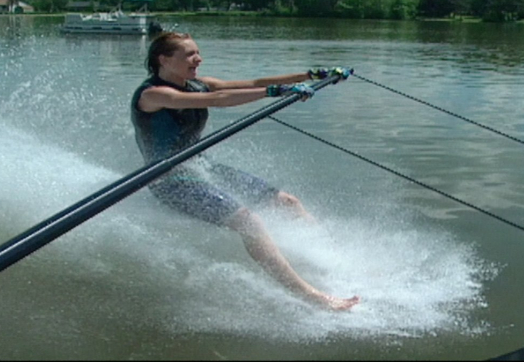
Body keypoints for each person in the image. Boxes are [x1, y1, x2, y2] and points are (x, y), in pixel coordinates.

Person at [130, 32, 359, 311]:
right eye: (189, 54)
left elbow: (252, 83)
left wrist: (310, 75)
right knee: (249, 222)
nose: (198, 59)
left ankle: (342, 265)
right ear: (163, 59)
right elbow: (219, 99)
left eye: (197, 52)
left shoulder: (197, 84)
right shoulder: (153, 94)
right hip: (169, 180)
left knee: (288, 202)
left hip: (201, 167)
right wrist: (275, 93)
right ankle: (311, 296)